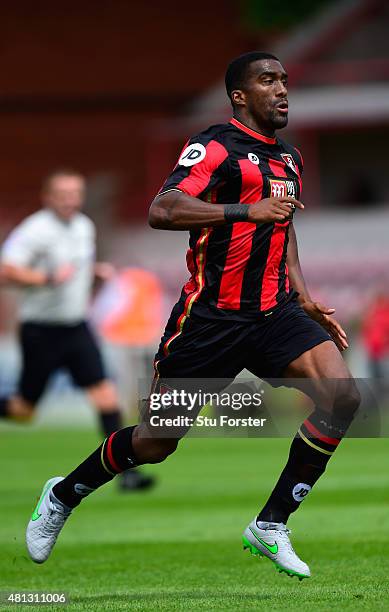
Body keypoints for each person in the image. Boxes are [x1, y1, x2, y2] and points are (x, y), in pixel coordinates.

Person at [25, 53, 360, 580]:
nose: (282, 90)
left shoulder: (290, 159)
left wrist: (304, 296)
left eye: (285, 81)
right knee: (155, 443)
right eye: (267, 81)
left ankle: (271, 524)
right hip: (210, 323)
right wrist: (243, 210)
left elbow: (283, 230)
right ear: (239, 96)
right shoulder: (216, 146)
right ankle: (64, 494)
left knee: (344, 397)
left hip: (274, 314)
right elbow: (163, 209)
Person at [0, 169, 154, 491]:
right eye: (63, 194)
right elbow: (6, 271)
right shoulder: (35, 230)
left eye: (75, 194)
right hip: (41, 331)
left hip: (76, 327)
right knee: (24, 411)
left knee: (106, 396)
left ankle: (127, 475)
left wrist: (93, 272)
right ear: (48, 197)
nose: (70, 200)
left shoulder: (84, 226)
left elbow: (74, 268)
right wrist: (46, 279)